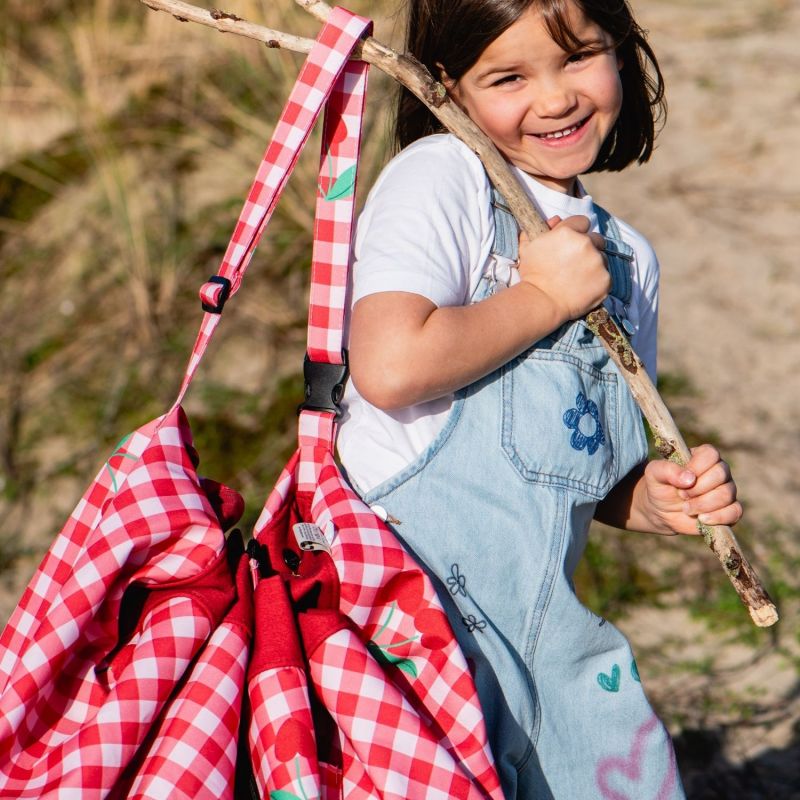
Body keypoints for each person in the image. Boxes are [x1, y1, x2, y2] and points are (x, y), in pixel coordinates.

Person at [337, 1, 742, 797]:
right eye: (509, 76)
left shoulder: (628, 258)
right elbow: (388, 363)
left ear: (621, 53)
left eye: (580, 57)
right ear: (446, 88)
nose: (555, 98)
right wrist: (542, 300)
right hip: (409, 626)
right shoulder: (443, 177)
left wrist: (650, 500)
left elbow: (588, 478)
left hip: (546, 639)